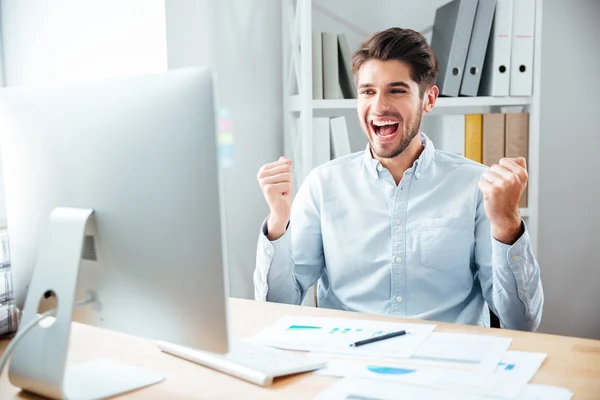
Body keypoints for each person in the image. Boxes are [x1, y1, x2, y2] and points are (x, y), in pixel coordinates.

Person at [253, 27, 543, 331]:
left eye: (397, 90)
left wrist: (507, 224)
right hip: (349, 361)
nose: (379, 106)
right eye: (368, 91)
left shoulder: (476, 186)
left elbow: (521, 323)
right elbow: (277, 308)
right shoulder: (322, 185)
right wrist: (277, 223)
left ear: (429, 99)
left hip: (447, 366)